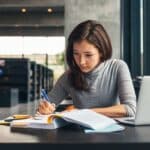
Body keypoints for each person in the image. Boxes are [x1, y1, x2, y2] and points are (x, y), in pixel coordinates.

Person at [37, 20, 136, 118]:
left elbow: (130, 108)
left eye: (88, 55)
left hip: (114, 132)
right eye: (76, 54)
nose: (81, 62)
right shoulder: (68, 76)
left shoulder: (118, 67)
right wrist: (43, 109)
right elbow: (44, 107)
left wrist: (85, 112)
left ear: (101, 51)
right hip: (80, 133)